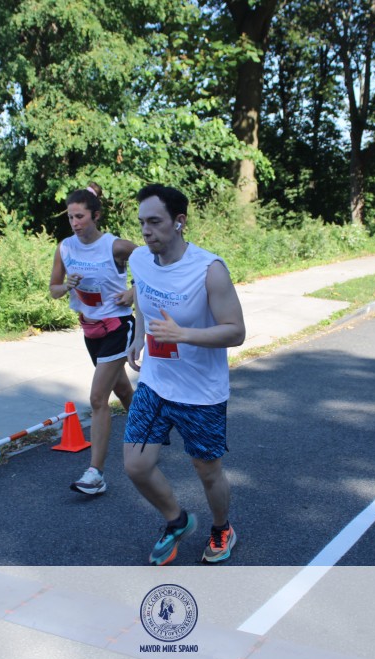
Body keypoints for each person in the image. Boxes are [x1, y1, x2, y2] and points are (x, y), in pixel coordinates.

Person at [123, 184, 246, 566]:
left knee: (207, 473)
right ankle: (176, 520)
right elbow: (143, 297)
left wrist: (183, 334)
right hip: (156, 384)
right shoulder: (140, 260)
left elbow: (236, 331)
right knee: (136, 465)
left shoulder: (209, 270)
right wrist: (138, 336)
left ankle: (222, 527)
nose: (146, 231)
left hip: (201, 392)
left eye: (154, 222)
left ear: (179, 222)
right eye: (142, 222)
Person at [50, 182, 137, 495]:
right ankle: (149, 430)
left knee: (99, 398)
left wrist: (133, 291)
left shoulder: (116, 247)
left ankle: (95, 474)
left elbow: (156, 266)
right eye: (70, 217)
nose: (74, 223)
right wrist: (67, 286)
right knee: (122, 388)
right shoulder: (65, 248)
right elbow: (53, 290)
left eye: (80, 217)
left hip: (118, 326)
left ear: (96, 216)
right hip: (90, 330)